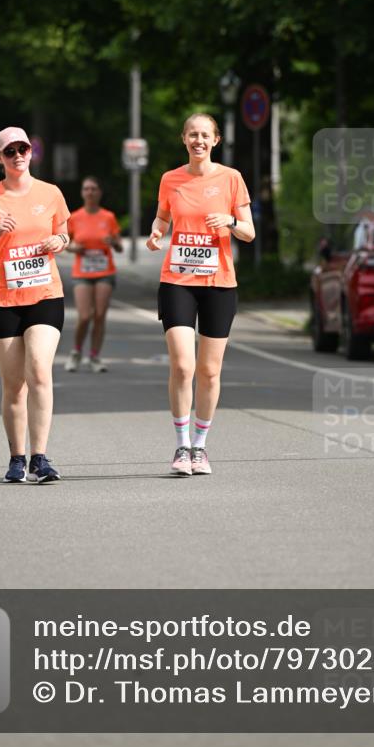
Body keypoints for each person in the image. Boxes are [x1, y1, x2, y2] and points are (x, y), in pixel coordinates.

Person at [146, 113, 255, 477]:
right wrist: (156, 234)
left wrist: (231, 222)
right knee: (182, 364)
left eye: (205, 135)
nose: (198, 140)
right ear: (184, 139)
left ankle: (200, 448)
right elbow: (162, 218)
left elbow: (250, 232)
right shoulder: (170, 179)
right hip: (177, 280)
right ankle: (181, 445)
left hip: (219, 284)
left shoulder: (231, 179)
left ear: (215, 140)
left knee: (209, 371)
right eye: (192, 134)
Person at [0, 127, 71, 484]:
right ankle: (16, 458)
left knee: (39, 369)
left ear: (31, 152)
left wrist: (59, 240)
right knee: (14, 384)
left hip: (44, 294)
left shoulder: (50, 193)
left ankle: (40, 457)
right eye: (9, 151)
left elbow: (64, 234)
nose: (18, 155)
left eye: (23, 148)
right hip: (2, 301)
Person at [64, 176, 123, 373]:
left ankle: (95, 356)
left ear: (99, 193)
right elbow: (65, 244)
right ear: (82, 192)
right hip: (82, 271)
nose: (90, 192)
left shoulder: (108, 217)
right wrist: (75, 248)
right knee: (84, 315)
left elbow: (120, 246)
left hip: (105, 270)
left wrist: (112, 242)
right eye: (86, 188)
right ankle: (76, 351)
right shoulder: (75, 217)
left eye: (94, 189)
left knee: (99, 315)